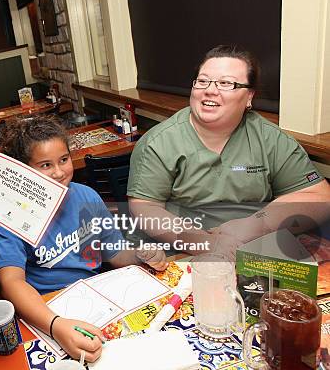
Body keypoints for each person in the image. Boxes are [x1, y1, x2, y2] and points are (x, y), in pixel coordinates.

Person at [0, 116, 167, 363]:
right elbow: (11, 283)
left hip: (96, 298)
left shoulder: (87, 196)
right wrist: (56, 325)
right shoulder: (12, 216)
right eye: (45, 165)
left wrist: (141, 254)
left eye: (64, 160)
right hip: (46, 309)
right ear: (24, 170)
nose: (58, 172)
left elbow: (115, 253)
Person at [127, 45, 330, 256]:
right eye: (203, 81)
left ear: (249, 96)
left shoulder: (270, 138)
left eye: (226, 83)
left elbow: (319, 196)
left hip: (253, 245)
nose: (210, 90)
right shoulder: (159, 142)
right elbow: (145, 208)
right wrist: (205, 243)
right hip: (180, 252)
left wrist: (251, 227)